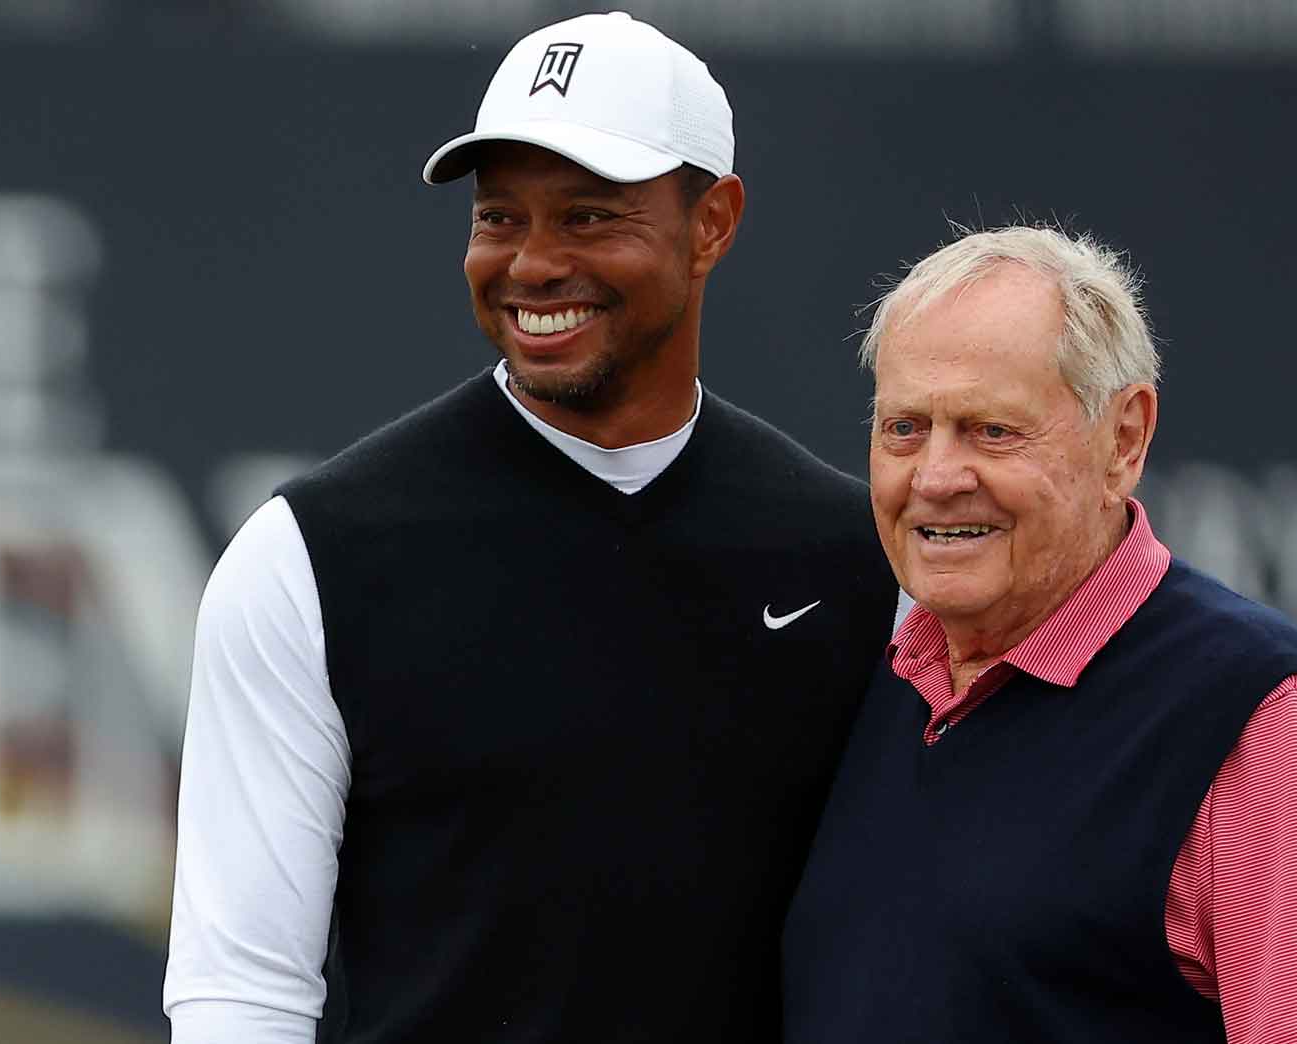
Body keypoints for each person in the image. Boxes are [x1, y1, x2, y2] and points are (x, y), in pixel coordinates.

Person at [162, 13, 897, 1043]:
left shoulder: (856, 561)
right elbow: (240, 990)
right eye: (499, 218)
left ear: (712, 223)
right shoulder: (311, 558)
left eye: (589, 218)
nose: (532, 264)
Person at [783, 226, 1297, 1043]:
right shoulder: (865, 678)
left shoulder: (1251, 715)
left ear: (1124, 440)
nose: (935, 477)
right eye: (905, 428)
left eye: (992, 431)